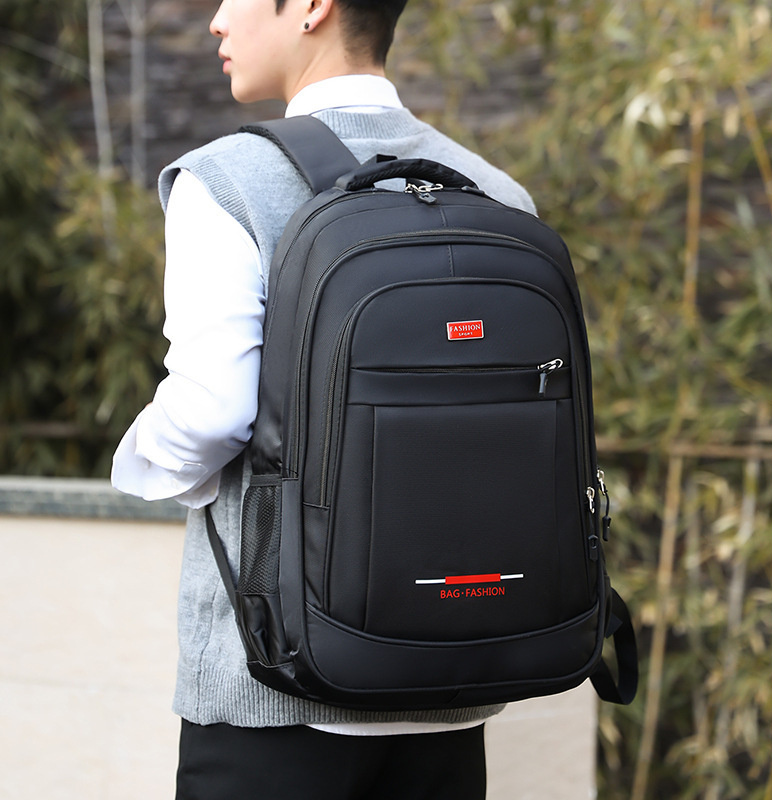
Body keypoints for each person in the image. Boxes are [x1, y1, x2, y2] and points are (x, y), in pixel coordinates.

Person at [112, 0, 537, 797]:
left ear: (311, 6)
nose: (216, 21)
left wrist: (139, 464)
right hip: (452, 690)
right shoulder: (498, 195)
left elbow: (210, 413)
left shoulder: (228, 183)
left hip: (274, 694)